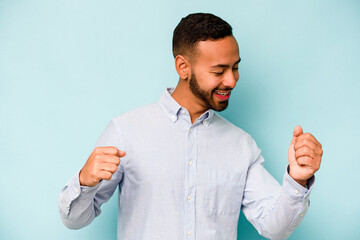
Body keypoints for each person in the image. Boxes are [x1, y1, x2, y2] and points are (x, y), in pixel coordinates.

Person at [58, 13, 323, 240]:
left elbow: (274, 227)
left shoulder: (242, 145)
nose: (231, 81)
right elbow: (74, 220)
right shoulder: (125, 131)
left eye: (235, 68)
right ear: (183, 67)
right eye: (219, 71)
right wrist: (85, 181)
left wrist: (297, 180)